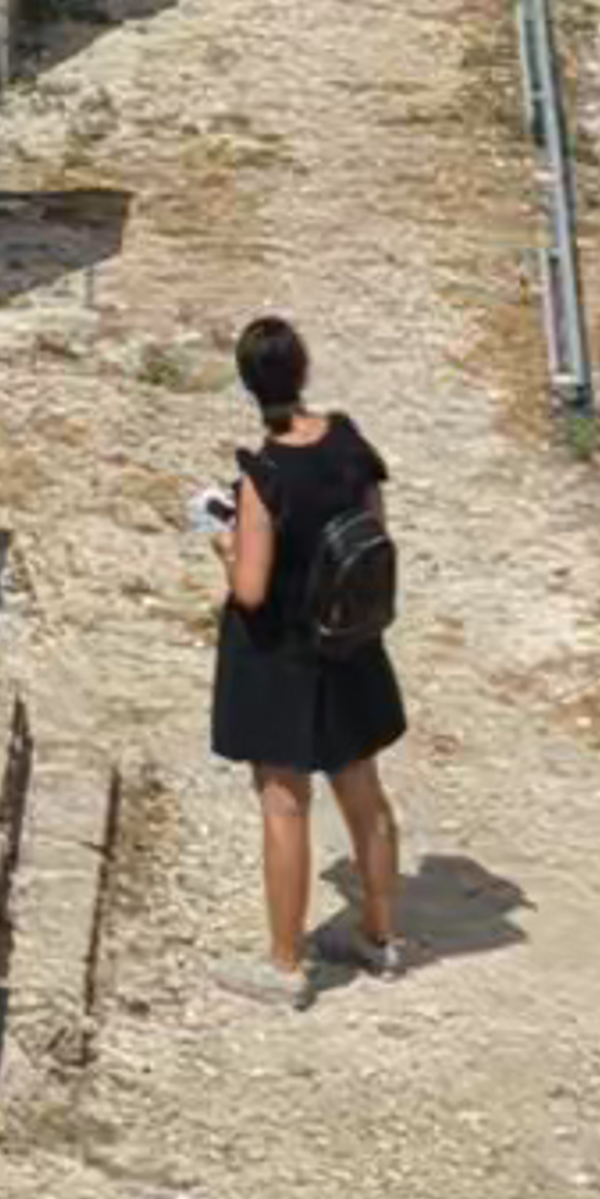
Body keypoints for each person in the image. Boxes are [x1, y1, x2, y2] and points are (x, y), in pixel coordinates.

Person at [204, 312, 404, 1003]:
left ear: (248, 385)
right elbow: (374, 531)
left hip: (283, 658)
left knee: (284, 803)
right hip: (350, 642)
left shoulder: (264, 477)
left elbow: (251, 589)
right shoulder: (349, 443)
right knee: (364, 793)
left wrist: (225, 545)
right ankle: (380, 936)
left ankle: (285, 964)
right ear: (305, 367)